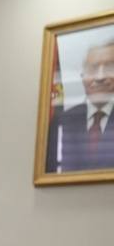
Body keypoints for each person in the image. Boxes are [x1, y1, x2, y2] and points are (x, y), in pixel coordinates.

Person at [48, 37, 114, 174]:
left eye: (109, 68)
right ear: (83, 77)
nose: (100, 77)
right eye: (93, 69)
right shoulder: (61, 121)